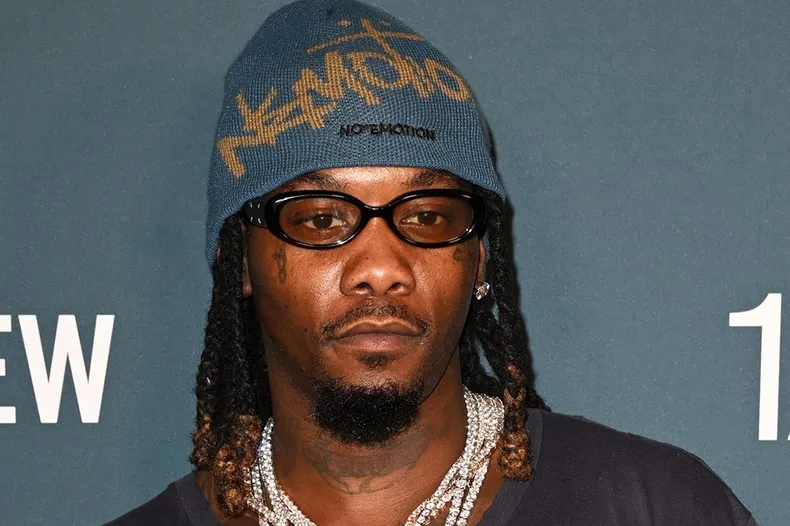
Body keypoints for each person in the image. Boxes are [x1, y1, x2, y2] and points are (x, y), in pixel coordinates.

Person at [107, 0, 756, 524]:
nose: (380, 267)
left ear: (479, 259)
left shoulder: (654, 506)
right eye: (321, 218)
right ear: (241, 262)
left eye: (427, 217)